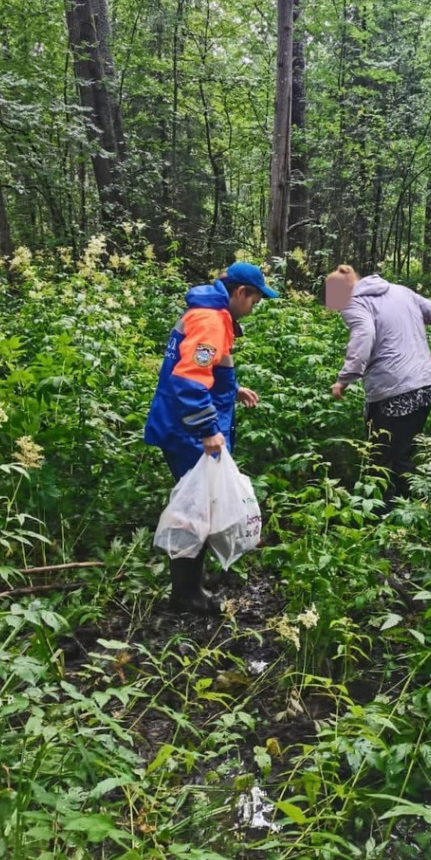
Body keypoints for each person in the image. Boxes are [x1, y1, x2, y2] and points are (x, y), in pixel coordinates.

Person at [145, 262, 278, 613]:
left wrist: (231, 389)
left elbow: (205, 367)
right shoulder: (211, 320)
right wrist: (207, 431)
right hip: (186, 430)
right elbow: (189, 381)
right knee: (196, 511)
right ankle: (185, 594)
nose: (254, 308)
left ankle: (193, 581)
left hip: (187, 424)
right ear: (240, 293)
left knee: (202, 505)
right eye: (255, 301)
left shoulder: (212, 314)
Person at [328, 266, 431, 505]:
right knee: (401, 451)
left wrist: (345, 378)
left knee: (381, 458)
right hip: (425, 385)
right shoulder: (401, 291)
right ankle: (409, 512)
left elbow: (364, 334)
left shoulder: (353, 303)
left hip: (394, 390)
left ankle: (384, 517)